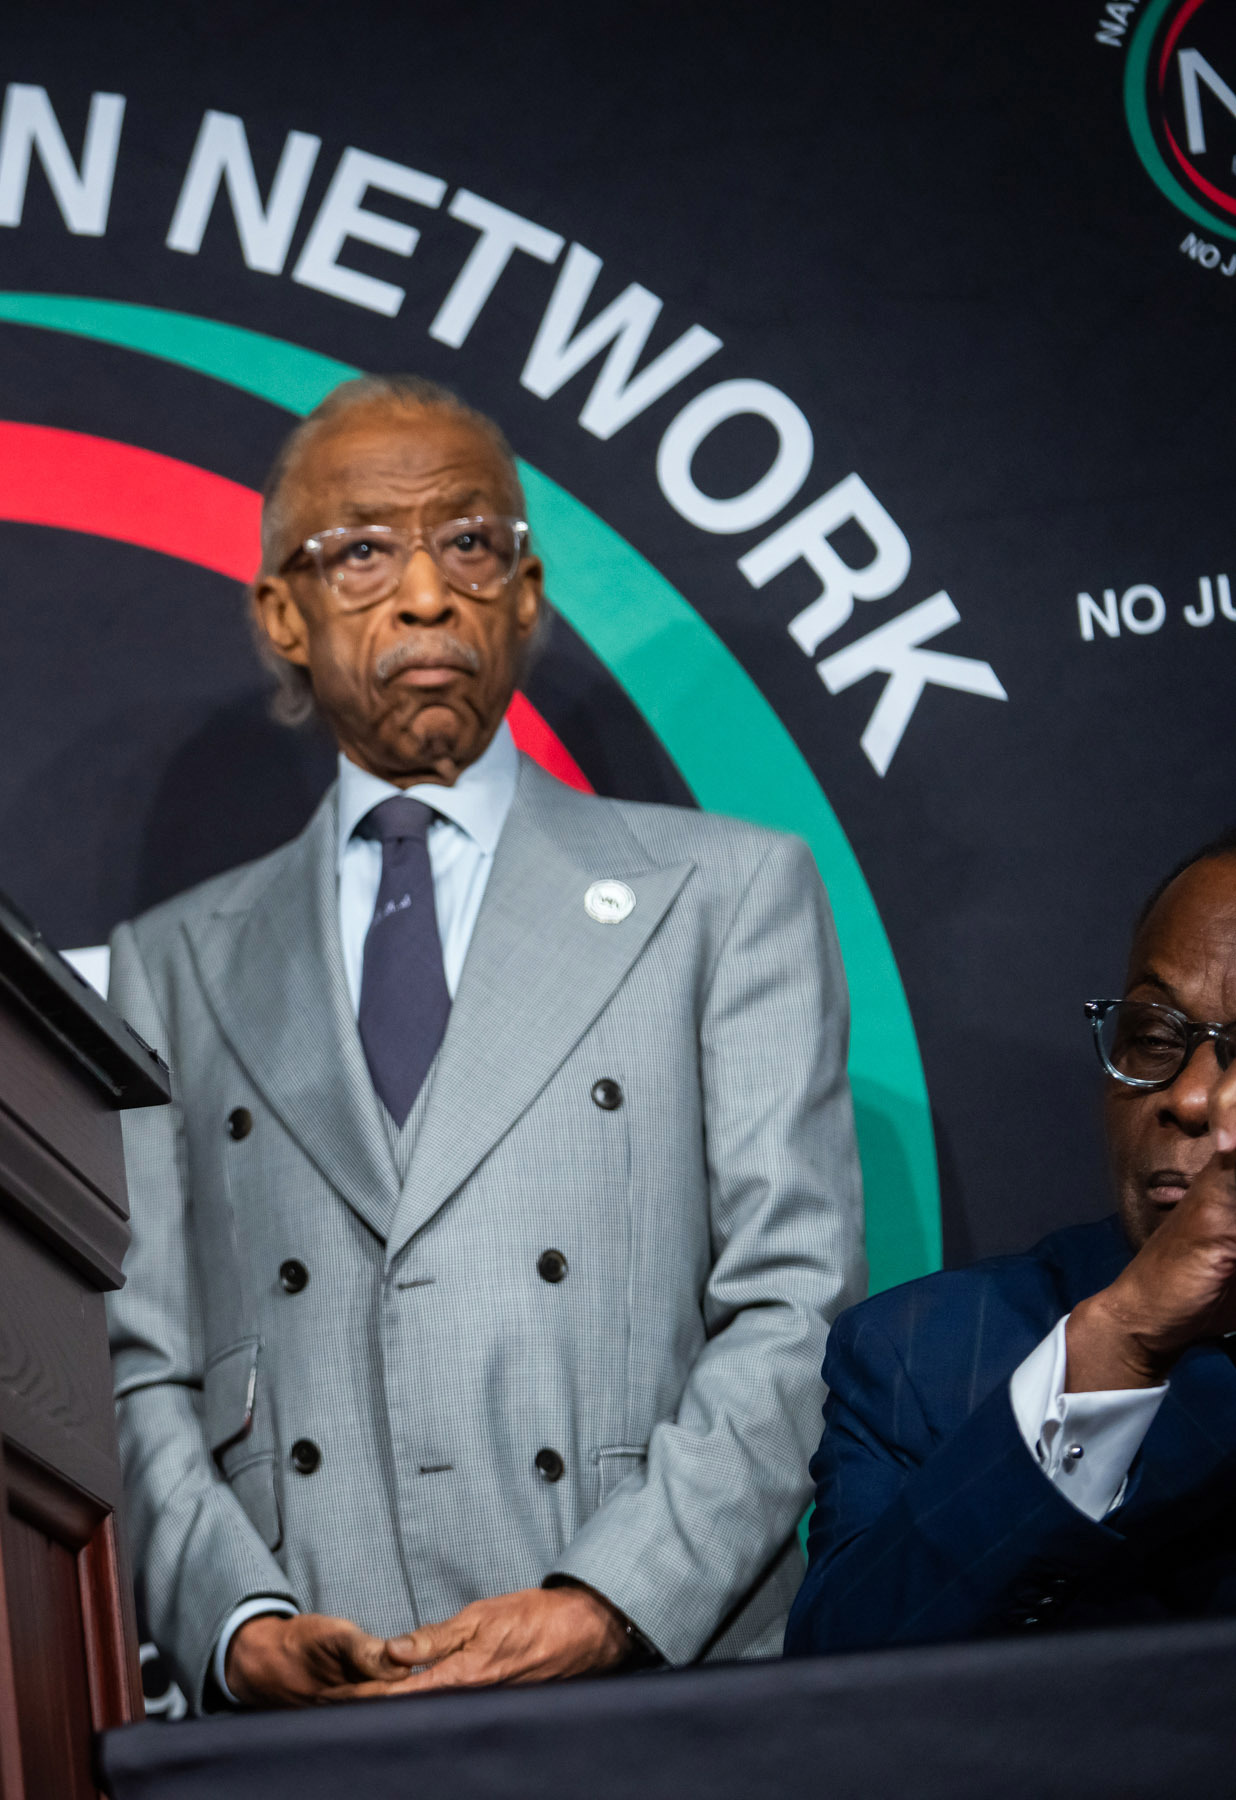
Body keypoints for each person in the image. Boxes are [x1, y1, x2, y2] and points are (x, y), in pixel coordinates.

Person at [108, 374, 866, 1711]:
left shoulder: (728, 896)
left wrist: (611, 1598)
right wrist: (238, 1624)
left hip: (652, 1685)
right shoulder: (171, 966)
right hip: (319, 1712)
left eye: (469, 541)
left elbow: (791, 1303)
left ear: (526, 593)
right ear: (282, 614)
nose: (423, 594)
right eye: (361, 552)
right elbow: (142, 1364)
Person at [789, 833, 1236, 1652]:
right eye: (1156, 1039)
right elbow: (837, 1687)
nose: (1193, 1095)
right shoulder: (920, 1358)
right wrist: (1118, 1346)